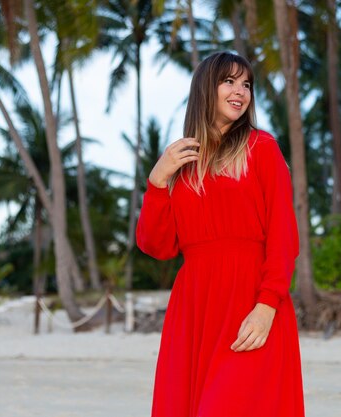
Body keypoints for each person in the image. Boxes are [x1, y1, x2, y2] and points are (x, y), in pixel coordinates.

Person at [136, 51, 305, 417]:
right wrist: (157, 180)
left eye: (246, 84)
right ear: (205, 89)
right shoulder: (181, 160)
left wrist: (266, 306)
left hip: (251, 301)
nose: (240, 91)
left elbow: (283, 236)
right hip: (195, 308)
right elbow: (157, 245)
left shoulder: (262, 149)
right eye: (229, 81)